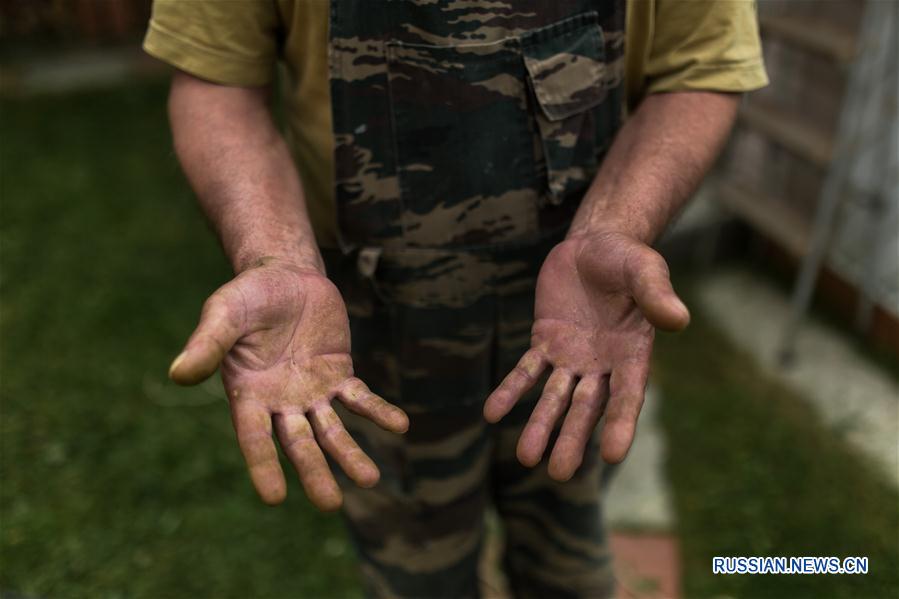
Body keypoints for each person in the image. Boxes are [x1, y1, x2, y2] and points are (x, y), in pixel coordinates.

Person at [145, 1, 767, 596]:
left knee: (570, 561)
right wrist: (276, 256)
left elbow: (700, 67)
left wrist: (615, 226)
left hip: (584, 321)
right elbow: (216, 78)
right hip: (368, 328)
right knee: (419, 575)